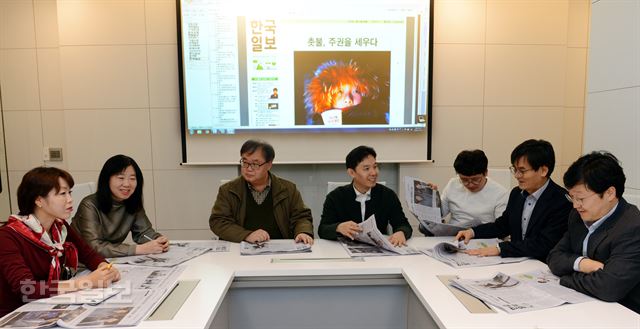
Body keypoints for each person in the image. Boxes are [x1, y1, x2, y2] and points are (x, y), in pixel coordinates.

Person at [0, 167, 120, 317]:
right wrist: (87, 281)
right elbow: (26, 288)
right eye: (62, 194)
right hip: (15, 315)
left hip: (48, 307)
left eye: (69, 193)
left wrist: (105, 268)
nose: (70, 199)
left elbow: (88, 255)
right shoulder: (8, 236)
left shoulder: (59, 226)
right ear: (38, 200)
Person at [547, 152, 640, 314]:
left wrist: (566, 277)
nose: (575, 205)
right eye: (572, 198)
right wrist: (583, 264)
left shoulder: (632, 227)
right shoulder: (578, 216)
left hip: (622, 312)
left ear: (610, 193)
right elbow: (554, 257)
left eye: (581, 198)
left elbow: (609, 287)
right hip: (585, 303)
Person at [455, 139, 572, 261]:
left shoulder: (561, 201)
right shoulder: (517, 193)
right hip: (516, 261)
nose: (516, 175)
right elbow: (503, 225)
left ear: (543, 171)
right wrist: (473, 232)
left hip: (543, 265)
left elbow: (544, 243)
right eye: (514, 169)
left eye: (522, 171)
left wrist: (500, 248)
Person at [209, 140, 314, 244]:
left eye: (255, 164)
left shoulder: (288, 189)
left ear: (269, 165)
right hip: (240, 248)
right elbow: (218, 221)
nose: (248, 169)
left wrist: (302, 232)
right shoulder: (228, 190)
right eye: (245, 162)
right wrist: (246, 235)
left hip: (279, 247)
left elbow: (301, 217)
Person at [72, 155, 169, 258]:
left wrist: (158, 239)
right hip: (81, 264)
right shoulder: (89, 205)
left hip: (110, 261)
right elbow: (94, 247)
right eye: (121, 178)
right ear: (107, 179)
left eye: (132, 178)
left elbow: (143, 233)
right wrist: (139, 249)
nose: (127, 184)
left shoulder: (132, 201)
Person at [319, 145, 413, 246]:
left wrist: (401, 232)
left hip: (379, 253)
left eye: (375, 167)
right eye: (366, 168)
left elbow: (403, 225)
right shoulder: (335, 196)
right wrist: (338, 227)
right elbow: (322, 229)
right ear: (351, 173)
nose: (374, 173)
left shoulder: (387, 195)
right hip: (344, 253)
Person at [419, 150, 508, 235]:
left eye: (475, 179)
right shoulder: (453, 184)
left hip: (481, 236)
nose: (470, 184)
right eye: (464, 180)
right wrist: (433, 198)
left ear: (485, 173)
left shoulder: (500, 194)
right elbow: (440, 214)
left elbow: (501, 228)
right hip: (453, 235)